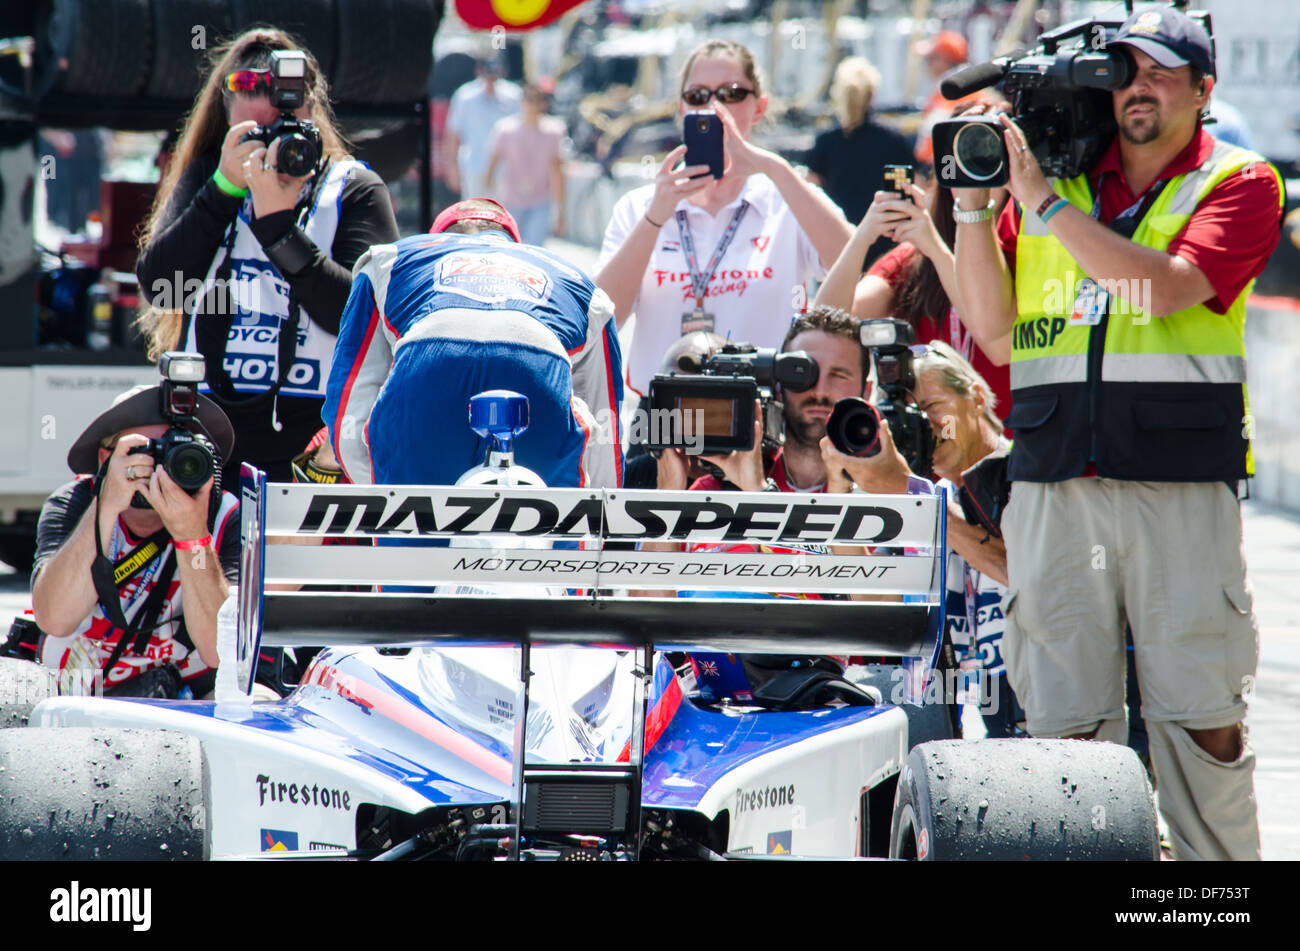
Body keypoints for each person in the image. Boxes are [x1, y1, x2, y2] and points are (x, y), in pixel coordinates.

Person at [952, 7, 1284, 860]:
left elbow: (1167, 290)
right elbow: (991, 334)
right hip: (1057, 488)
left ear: (1204, 91)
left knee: (1203, 721)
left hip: (1179, 490)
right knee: (1067, 737)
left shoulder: (1238, 182)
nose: (1138, 88)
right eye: (1126, 71)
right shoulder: (1053, 185)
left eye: (1162, 72)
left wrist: (1043, 209)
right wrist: (976, 214)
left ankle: (1215, 900)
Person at [136, 28, 399, 486]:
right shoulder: (207, 178)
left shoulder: (352, 190)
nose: (269, 104)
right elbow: (162, 288)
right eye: (247, 87)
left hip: (316, 447)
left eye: (283, 95)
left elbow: (362, 316)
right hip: (209, 435)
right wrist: (222, 193)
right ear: (225, 107)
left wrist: (279, 231)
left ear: (313, 105)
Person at [595, 39, 852, 412]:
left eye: (732, 93)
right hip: (664, 413)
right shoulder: (640, 207)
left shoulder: (787, 196)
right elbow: (601, 319)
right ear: (681, 108)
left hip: (763, 410)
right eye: (698, 95)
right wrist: (656, 217)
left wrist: (775, 169)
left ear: (759, 107)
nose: (715, 107)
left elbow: (854, 263)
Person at [325, 198, 624, 489]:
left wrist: (384, 490)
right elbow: (605, 429)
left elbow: (349, 403)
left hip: (428, 372)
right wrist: (598, 523)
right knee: (556, 526)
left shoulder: (390, 258)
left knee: (413, 534)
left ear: (439, 237)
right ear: (514, 245)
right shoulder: (581, 284)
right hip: (539, 374)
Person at [29, 385, 240, 699]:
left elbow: (221, 652)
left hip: (184, 695)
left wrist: (192, 536)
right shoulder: (76, 502)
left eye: (173, 451)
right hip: (73, 694)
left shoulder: (223, 515)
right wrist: (105, 506)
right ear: (106, 458)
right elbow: (55, 619)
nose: (159, 466)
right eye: (146, 451)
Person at [815, 142, 1012, 422]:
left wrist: (936, 249)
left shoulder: (1021, 248)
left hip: (1005, 439)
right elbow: (826, 326)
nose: (975, 179)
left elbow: (998, 346)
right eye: (965, 165)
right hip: (931, 440)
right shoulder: (914, 259)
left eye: (985, 163)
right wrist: (864, 236)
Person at [908, 341, 1021, 737]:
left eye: (929, 408)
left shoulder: (1031, 473)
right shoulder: (921, 497)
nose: (923, 427)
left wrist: (919, 501)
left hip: (1039, 722)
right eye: (908, 417)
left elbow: (1029, 576)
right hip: (956, 739)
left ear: (974, 394)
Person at [805, 57, 916, 267]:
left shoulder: (826, 140)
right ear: (872, 95)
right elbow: (913, 186)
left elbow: (811, 192)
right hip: (885, 244)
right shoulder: (892, 138)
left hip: (838, 242)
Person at [484, 80, 567, 245]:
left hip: (540, 200)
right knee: (510, 247)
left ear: (544, 103)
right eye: (529, 99)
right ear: (522, 101)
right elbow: (491, 166)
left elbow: (557, 171)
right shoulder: (505, 129)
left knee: (536, 249)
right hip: (511, 200)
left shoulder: (554, 131)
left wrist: (560, 210)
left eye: (537, 100)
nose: (533, 104)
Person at [444, 55, 522, 201]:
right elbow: (453, 133)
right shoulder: (465, 96)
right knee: (474, 212)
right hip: (474, 164)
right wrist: (451, 167)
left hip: (507, 168)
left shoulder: (513, 95)